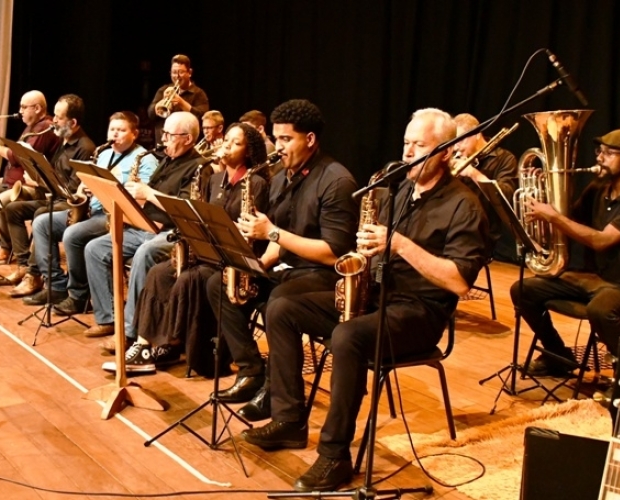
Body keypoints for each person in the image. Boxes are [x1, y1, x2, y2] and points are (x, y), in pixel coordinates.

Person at [258, 108, 488, 492]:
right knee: (282, 306)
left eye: (420, 145)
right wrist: (364, 256)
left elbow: (460, 283)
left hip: (422, 311)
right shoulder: (398, 192)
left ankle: (334, 455)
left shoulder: (464, 205)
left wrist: (397, 244)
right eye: (406, 143)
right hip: (379, 296)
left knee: (348, 337)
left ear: (446, 151)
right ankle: (289, 419)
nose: (409, 152)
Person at [204, 99, 359, 409]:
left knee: (279, 302)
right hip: (287, 268)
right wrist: (259, 263)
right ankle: (251, 371)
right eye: (276, 138)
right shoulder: (281, 178)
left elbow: (333, 254)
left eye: (287, 139)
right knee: (218, 284)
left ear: (310, 139)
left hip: (323, 276)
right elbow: (281, 232)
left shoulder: (336, 182)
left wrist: (271, 232)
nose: (279, 146)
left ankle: (280, 394)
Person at [102, 123, 270, 374]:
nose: (227, 146)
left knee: (187, 279)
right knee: (159, 273)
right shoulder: (214, 179)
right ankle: (145, 344)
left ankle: (172, 343)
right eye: (227, 141)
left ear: (249, 152)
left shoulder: (256, 183)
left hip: (234, 261)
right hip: (209, 252)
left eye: (236, 143)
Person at [83, 111, 209, 344]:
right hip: (146, 226)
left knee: (145, 253)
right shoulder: (166, 160)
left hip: (173, 232)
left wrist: (148, 193)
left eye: (170, 135)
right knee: (95, 249)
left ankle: (131, 331)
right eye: (165, 134)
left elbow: (186, 209)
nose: (164, 140)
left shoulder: (199, 168)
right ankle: (108, 318)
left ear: (188, 139)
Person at [511, 129, 620, 377]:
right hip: (593, 279)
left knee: (600, 310)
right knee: (523, 290)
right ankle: (559, 356)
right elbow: (569, 223)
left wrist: (553, 217)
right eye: (599, 151)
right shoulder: (598, 188)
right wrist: (544, 192)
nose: (599, 157)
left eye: (609, 153)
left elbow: (602, 240)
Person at [25, 111, 159, 310]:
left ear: (135, 134)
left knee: (72, 234)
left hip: (115, 215)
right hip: (93, 209)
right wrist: (82, 190)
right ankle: (56, 285)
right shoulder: (103, 153)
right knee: (43, 223)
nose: (115, 134)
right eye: (112, 129)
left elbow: (141, 199)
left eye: (121, 130)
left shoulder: (144, 159)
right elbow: (85, 188)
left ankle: (78, 295)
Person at [3, 94, 96, 300]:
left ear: (72, 122)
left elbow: (72, 192)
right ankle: (23, 264)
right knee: (13, 209)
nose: (53, 121)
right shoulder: (64, 142)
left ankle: (37, 276)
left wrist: (41, 182)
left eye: (58, 117)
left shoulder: (85, 148)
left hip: (71, 206)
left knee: (42, 214)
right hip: (54, 198)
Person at [0, 90, 60, 262]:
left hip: (30, 185)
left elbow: (23, 157)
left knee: (0, 203)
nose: (20, 111)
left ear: (38, 108)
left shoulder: (45, 128)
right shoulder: (31, 126)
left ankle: (7, 247)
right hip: (11, 180)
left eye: (24, 107)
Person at [452, 113, 518, 247]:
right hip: (451, 224)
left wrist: (473, 173)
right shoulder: (454, 157)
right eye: (453, 143)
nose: (456, 147)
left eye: (460, 140)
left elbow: (506, 196)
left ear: (477, 134)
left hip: (481, 232)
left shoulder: (505, 158)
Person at [147, 54, 209, 145]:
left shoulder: (199, 93)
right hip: (162, 146)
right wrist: (163, 101)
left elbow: (203, 117)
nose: (177, 76)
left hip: (185, 146)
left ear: (190, 72)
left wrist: (181, 102)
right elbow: (150, 114)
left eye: (181, 72)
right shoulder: (163, 90)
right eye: (174, 72)